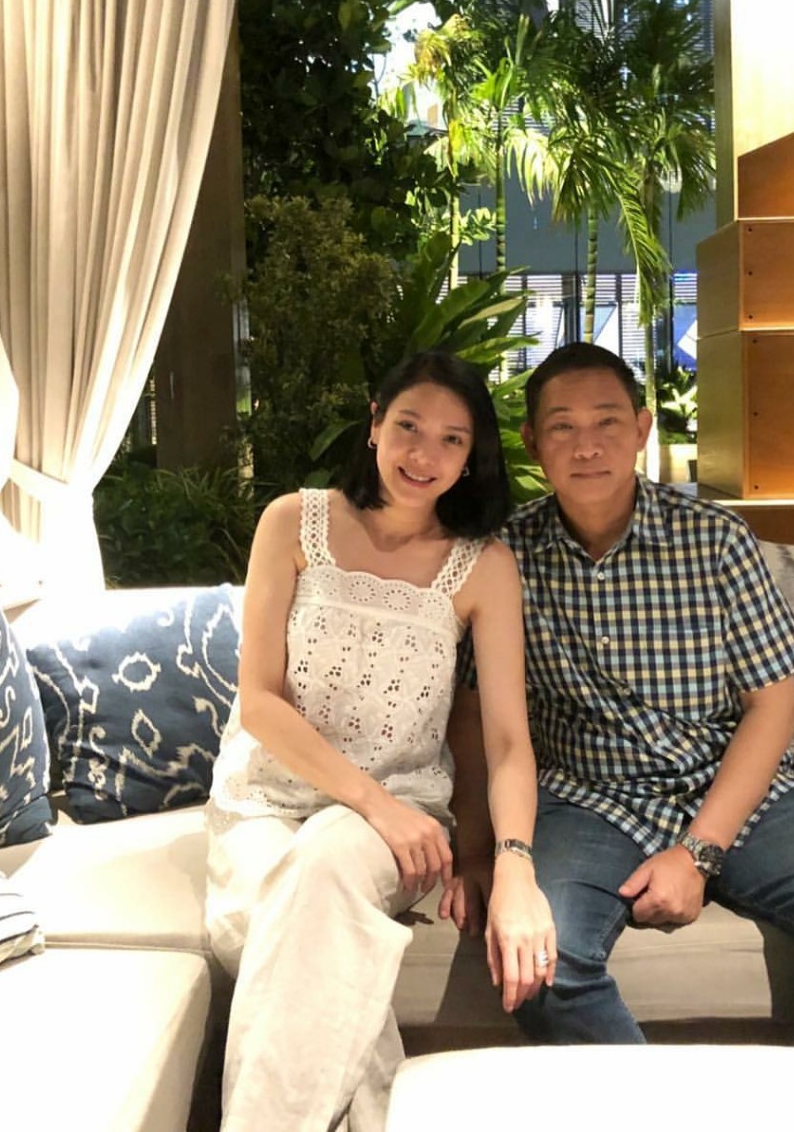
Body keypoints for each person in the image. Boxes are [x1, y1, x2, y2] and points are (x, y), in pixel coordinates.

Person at [447, 341, 794, 1049]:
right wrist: (477, 852)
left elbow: (773, 705)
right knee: (541, 963)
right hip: (588, 798)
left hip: (738, 792)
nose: (587, 446)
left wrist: (697, 853)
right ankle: (668, 1105)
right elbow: (475, 722)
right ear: (532, 441)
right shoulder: (504, 558)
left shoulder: (714, 540)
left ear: (642, 429)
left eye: (607, 422)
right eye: (562, 427)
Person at [205, 349, 556, 1131]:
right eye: (408, 427)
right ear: (374, 424)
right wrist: (373, 803)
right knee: (278, 924)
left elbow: (506, 740)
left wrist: (509, 862)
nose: (423, 455)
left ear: (471, 456)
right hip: (268, 798)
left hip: (399, 812)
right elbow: (258, 700)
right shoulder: (292, 521)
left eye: (451, 440)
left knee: (324, 865)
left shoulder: (483, 567)